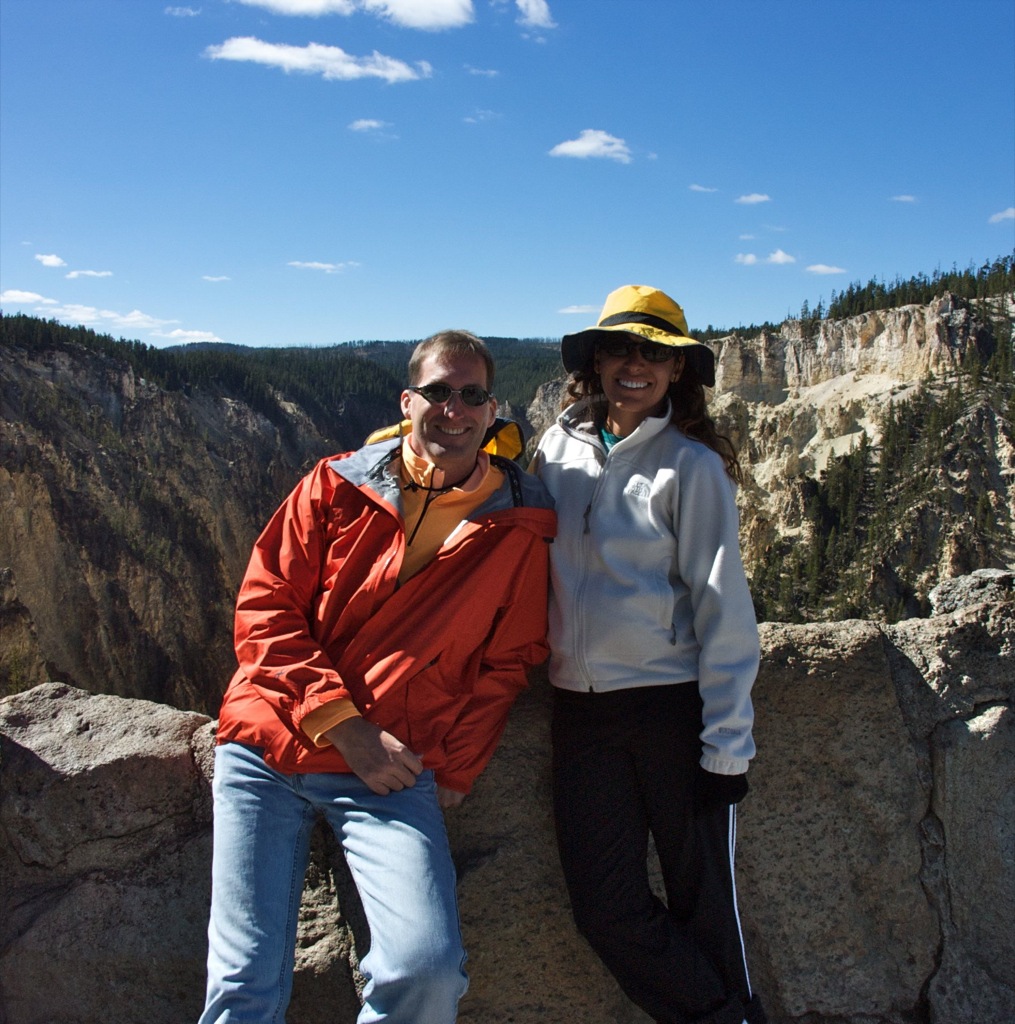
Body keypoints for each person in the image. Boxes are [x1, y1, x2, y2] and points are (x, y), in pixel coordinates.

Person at [199, 330, 556, 1024]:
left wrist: (455, 764)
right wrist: (344, 724)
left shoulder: (519, 529)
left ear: (491, 412)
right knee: (242, 985)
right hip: (268, 747)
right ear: (407, 401)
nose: (452, 409)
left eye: (470, 395)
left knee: (425, 973)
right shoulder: (336, 485)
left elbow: (509, 659)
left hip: (391, 767)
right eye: (437, 392)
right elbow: (265, 607)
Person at [530, 285, 767, 1024]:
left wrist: (727, 745)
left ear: (676, 371)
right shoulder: (552, 448)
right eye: (618, 348)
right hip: (577, 711)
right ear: (593, 362)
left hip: (671, 709)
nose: (633, 365)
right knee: (606, 908)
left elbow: (722, 604)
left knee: (706, 906)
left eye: (652, 352)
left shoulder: (691, 466)